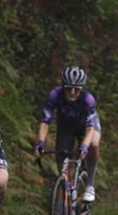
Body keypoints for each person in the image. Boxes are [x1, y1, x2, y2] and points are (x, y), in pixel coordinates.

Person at [34, 66, 100, 204]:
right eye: (69, 88)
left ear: (81, 89)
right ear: (63, 86)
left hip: (86, 126)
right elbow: (45, 122)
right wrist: (40, 143)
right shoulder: (54, 95)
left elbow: (90, 130)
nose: (73, 91)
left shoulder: (88, 99)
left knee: (93, 143)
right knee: (64, 176)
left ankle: (89, 185)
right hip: (66, 127)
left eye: (77, 88)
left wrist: (84, 146)